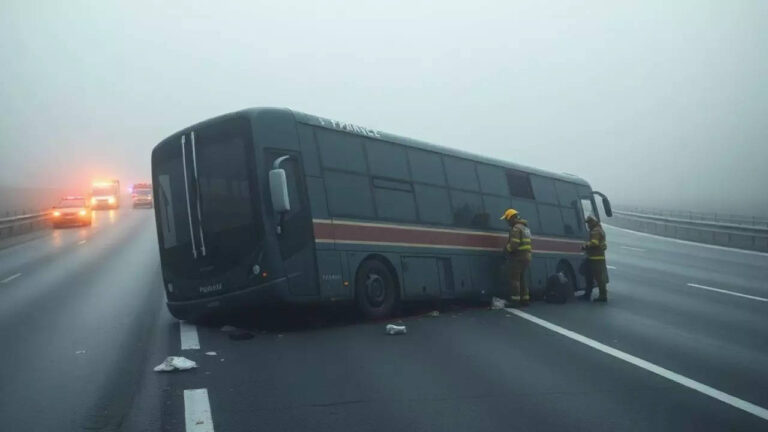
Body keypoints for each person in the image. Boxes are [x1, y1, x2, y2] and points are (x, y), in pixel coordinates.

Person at [500, 209, 532, 306]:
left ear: (511, 218)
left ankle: (515, 300)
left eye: (507, 219)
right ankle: (525, 299)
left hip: (518, 257)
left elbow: (514, 244)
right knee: (522, 279)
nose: (507, 222)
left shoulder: (515, 229)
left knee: (514, 279)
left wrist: (506, 251)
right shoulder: (525, 228)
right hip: (526, 256)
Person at [581, 215, 609, 302]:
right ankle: (596, 294)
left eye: (589, 223)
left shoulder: (595, 231)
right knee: (599, 277)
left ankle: (602, 296)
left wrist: (585, 245)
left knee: (598, 278)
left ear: (592, 222)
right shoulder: (600, 229)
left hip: (595, 258)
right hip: (599, 257)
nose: (588, 225)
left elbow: (595, 242)